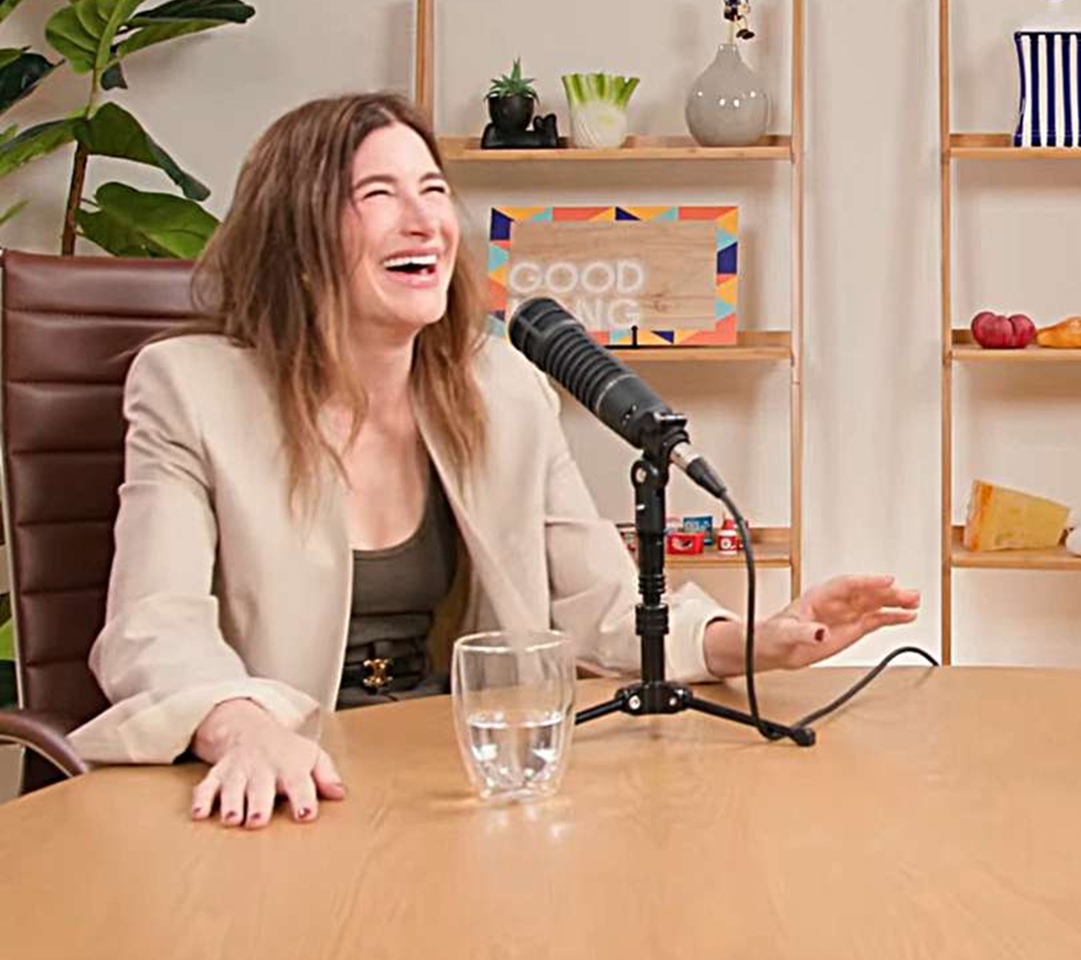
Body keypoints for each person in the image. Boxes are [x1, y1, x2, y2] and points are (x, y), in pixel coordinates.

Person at [71, 93, 919, 829]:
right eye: (378, 194)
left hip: (464, 778)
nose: (425, 221)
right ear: (297, 233)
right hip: (291, 786)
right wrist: (238, 721)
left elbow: (599, 603)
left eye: (433, 191)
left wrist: (758, 642)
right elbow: (154, 622)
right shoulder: (191, 388)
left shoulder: (501, 385)